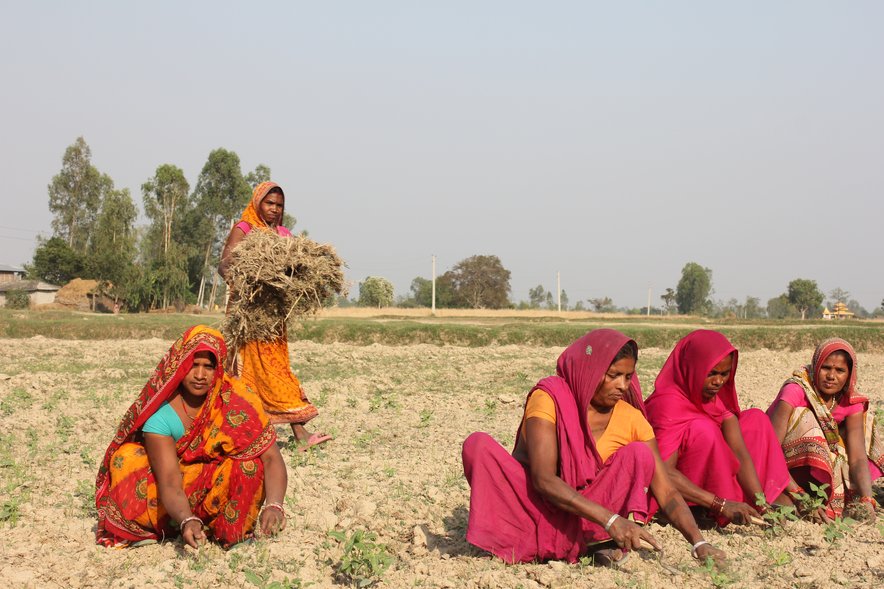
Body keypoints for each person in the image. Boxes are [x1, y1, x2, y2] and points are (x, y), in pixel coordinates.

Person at [462, 329, 724, 566]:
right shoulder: (550, 399)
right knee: (478, 445)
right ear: (589, 369)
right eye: (614, 376)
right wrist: (611, 520)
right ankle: (540, 540)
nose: (623, 386)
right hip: (532, 508)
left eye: (628, 377)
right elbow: (543, 479)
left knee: (639, 454)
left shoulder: (632, 419)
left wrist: (698, 542)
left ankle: (590, 541)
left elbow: (666, 490)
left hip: (583, 519)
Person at [95, 326, 288, 548]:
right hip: (173, 498)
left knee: (251, 464)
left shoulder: (237, 400)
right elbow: (169, 480)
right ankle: (177, 527)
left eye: (208, 367)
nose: (199, 375)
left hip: (215, 493)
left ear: (219, 369)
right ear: (180, 366)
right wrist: (187, 519)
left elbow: (272, 457)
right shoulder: (162, 416)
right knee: (127, 458)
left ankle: (232, 533)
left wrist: (275, 505)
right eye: (193, 365)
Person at [220, 181, 331, 450]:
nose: (274, 209)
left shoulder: (283, 235)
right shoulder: (244, 229)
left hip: (272, 318)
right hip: (248, 317)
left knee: (276, 368)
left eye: (279, 205)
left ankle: (292, 431)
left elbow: (295, 268)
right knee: (247, 373)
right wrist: (250, 274)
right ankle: (290, 432)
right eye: (269, 203)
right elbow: (224, 265)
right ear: (258, 202)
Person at [645, 330, 793, 526]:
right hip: (676, 490)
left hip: (714, 480)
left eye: (724, 374)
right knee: (704, 429)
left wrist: (761, 504)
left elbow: (739, 451)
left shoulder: (713, 397)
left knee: (756, 419)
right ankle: (697, 508)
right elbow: (662, 472)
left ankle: (748, 500)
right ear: (692, 368)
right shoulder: (668, 405)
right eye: (712, 373)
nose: (718, 382)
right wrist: (719, 504)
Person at [767, 338, 883, 521]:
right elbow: (769, 449)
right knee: (805, 419)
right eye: (826, 368)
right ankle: (793, 494)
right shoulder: (796, 390)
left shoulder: (849, 400)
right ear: (816, 365)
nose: (831, 376)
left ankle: (824, 496)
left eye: (840, 371)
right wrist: (798, 494)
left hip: (817, 466)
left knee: (865, 424)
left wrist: (867, 499)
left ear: (849, 375)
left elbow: (858, 457)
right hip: (779, 466)